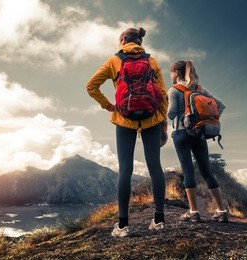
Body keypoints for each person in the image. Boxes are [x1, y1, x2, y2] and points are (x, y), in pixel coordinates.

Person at [86, 28, 168, 237]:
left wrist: (109, 107)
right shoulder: (152, 62)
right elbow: (163, 96)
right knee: (155, 168)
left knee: (125, 170)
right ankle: (159, 221)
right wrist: (163, 124)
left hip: (124, 119)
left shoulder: (114, 60)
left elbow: (91, 86)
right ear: (140, 42)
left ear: (123, 40)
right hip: (151, 119)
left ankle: (123, 226)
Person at [167, 60, 228, 223]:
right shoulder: (200, 89)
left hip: (181, 133)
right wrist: (205, 120)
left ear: (175, 72)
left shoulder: (174, 90)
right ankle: (221, 211)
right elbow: (220, 106)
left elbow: (171, 114)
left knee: (188, 172)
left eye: (171, 72)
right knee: (206, 171)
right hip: (199, 134)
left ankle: (193, 212)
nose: (170, 75)